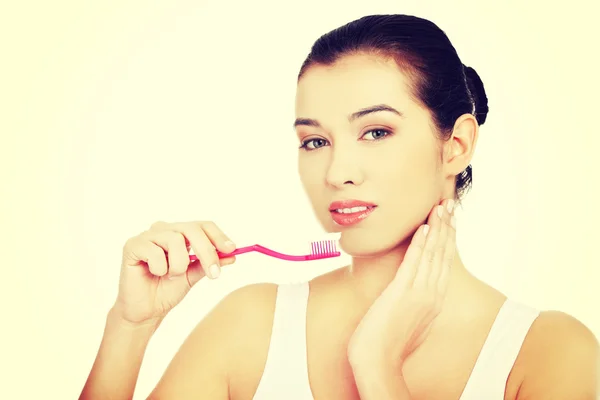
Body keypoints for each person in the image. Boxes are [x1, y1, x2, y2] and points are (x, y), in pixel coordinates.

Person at [79, 14, 599, 400]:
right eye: (314, 141)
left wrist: (377, 365)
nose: (336, 172)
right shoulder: (251, 323)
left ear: (456, 146)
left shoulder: (548, 353)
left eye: (376, 131)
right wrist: (130, 327)